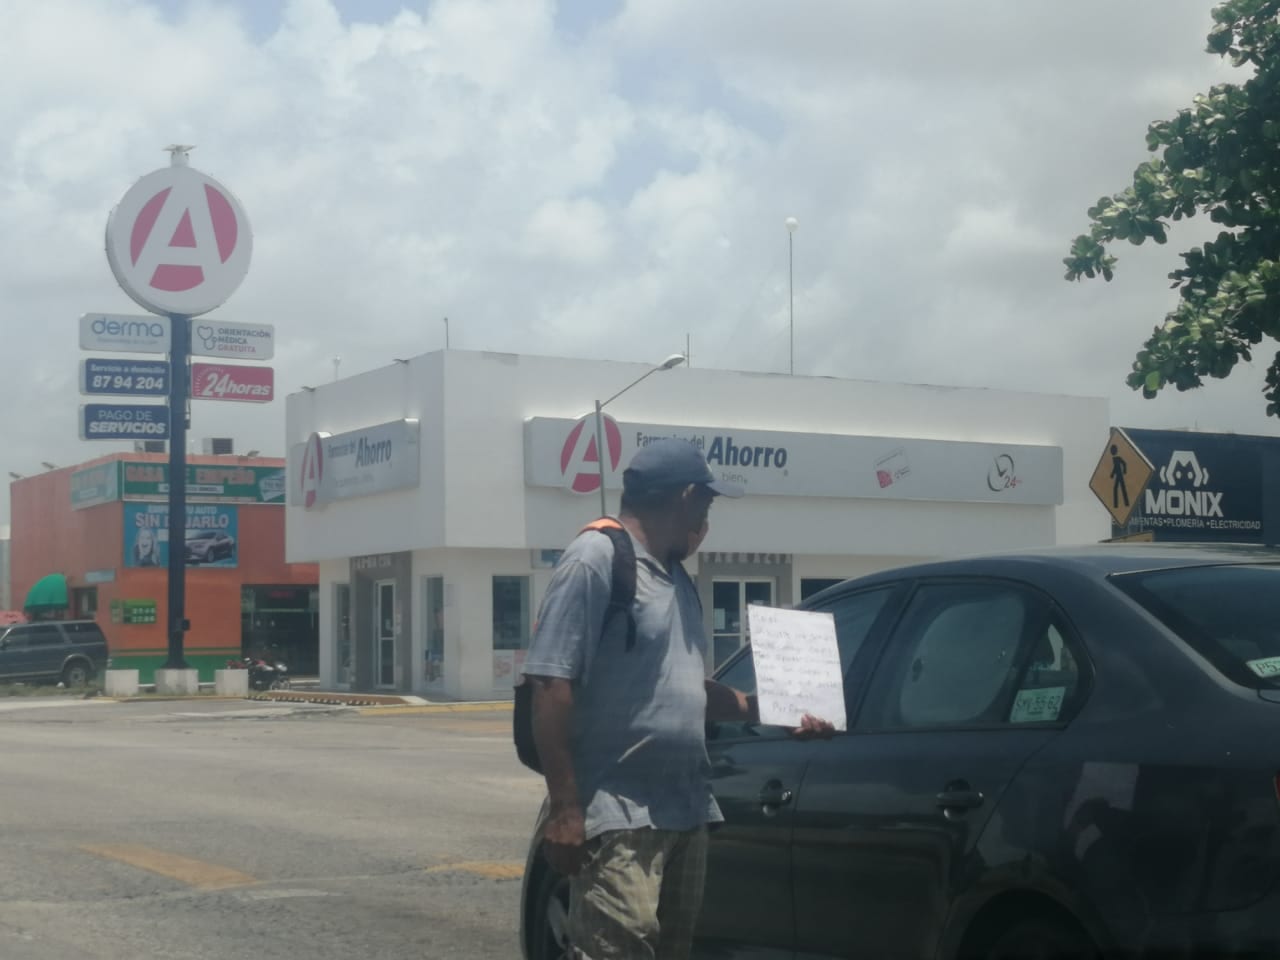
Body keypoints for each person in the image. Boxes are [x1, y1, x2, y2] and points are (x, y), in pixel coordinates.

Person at [522, 438, 831, 960]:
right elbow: (551, 683)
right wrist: (566, 809)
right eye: (707, 500)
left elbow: (688, 689)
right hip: (617, 813)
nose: (709, 515)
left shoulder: (676, 577)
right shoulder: (596, 558)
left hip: (684, 810)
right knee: (618, 949)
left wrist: (774, 710)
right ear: (686, 496)